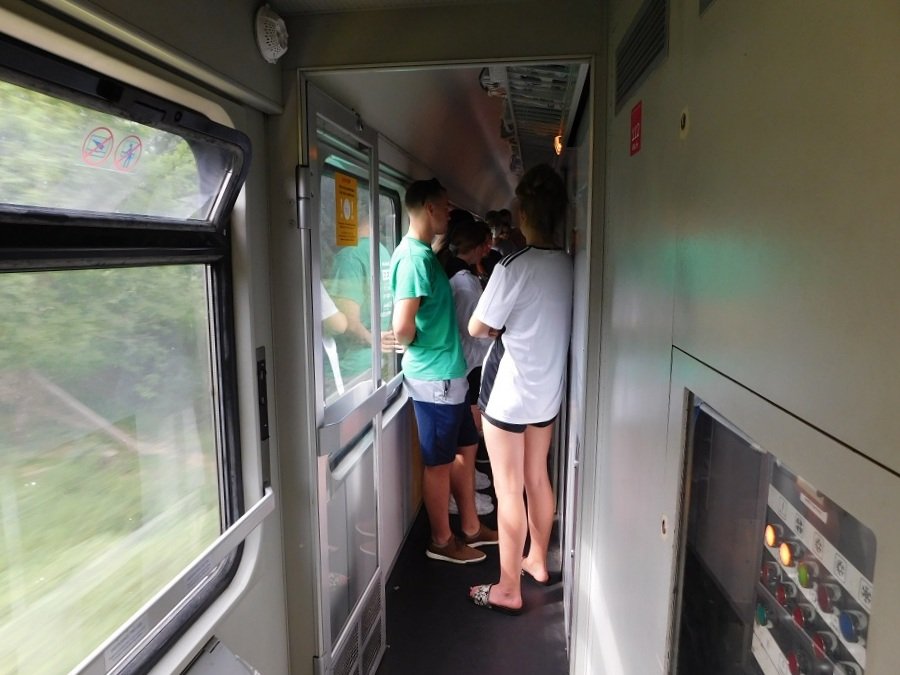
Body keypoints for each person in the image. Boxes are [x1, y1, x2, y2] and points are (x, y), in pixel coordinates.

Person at [467, 164, 573, 613]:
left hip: (508, 393)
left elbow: (477, 327)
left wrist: (500, 326)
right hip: (547, 391)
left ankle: (508, 588)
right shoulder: (568, 265)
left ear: (524, 215)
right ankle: (538, 561)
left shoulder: (513, 266)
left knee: (508, 488)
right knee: (537, 477)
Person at [391, 178, 498, 564]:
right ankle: (441, 540)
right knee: (438, 464)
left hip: (450, 376)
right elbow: (403, 327)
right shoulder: (414, 259)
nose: (450, 213)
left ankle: (470, 527)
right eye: (446, 205)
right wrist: (405, 341)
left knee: (466, 447)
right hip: (435, 377)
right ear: (429, 208)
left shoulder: (424, 253)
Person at [327, 195, 398, 381]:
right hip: (372, 362)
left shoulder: (350, 256)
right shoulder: (382, 251)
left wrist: (372, 340)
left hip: (349, 367)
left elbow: (349, 323)